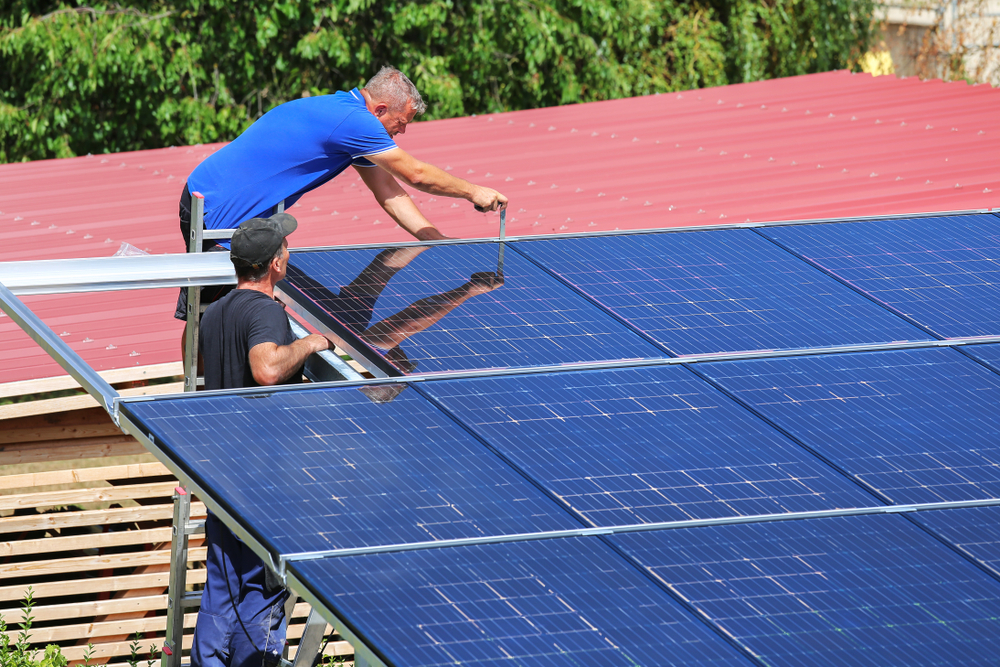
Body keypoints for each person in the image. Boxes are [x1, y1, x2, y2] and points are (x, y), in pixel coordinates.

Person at [175, 65, 507, 321]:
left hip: (212, 197)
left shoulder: (343, 113)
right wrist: (473, 191)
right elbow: (414, 174)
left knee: (346, 314)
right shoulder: (354, 122)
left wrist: (436, 239)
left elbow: (389, 191)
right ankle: (204, 394)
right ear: (378, 110)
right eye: (401, 122)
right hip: (217, 212)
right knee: (208, 314)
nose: (402, 132)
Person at [192, 213, 329, 667]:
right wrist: (310, 344)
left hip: (221, 474)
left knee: (221, 583)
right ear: (275, 263)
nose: (289, 252)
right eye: (285, 248)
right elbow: (266, 369)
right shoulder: (266, 311)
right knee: (264, 587)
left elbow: (194, 367)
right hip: (262, 481)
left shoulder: (215, 313)